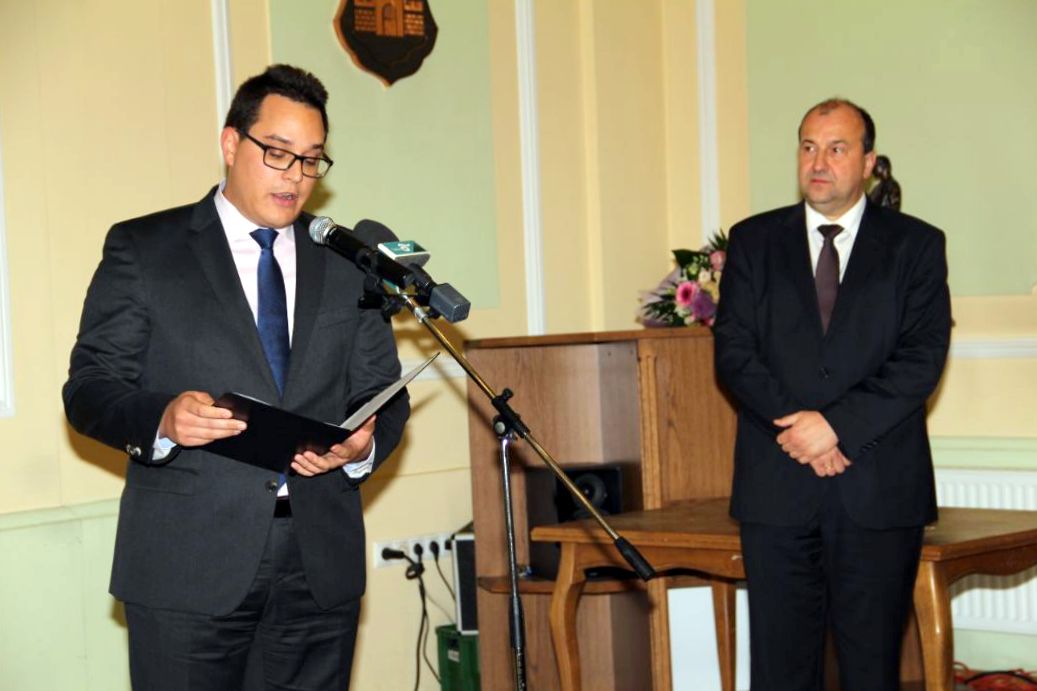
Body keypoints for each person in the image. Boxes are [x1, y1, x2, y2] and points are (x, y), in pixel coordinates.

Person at [63, 64, 410, 691]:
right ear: (231, 143)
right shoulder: (146, 249)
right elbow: (89, 388)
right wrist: (163, 419)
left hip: (318, 563)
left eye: (311, 160)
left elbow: (381, 390)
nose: (295, 176)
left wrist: (362, 445)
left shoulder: (345, 262)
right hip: (187, 565)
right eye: (278, 152)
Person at [713, 98, 951, 691]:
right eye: (809, 147)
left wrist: (835, 426)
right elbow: (735, 353)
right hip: (777, 486)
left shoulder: (916, 245)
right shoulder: (754, 240)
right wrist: (800, 428)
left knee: (871, 670)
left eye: (837, 148)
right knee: (781, 671)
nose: (819, 162)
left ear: (868, 162)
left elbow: (921, 357)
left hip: (877, 488)